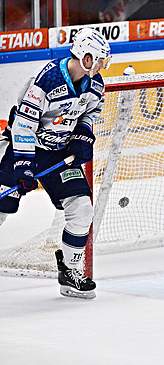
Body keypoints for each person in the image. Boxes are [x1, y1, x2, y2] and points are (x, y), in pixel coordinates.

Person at [0, 27, 111, 299]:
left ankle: (70, 271)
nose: (101, 66)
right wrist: (24, 166)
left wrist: (83, 133)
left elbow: (91, 113)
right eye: (99, 60)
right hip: (22, 149)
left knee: (82, 208)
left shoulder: (95, 85)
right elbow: (24, 126)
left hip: (59, 155)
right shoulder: (46, 79)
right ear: (85, 57)